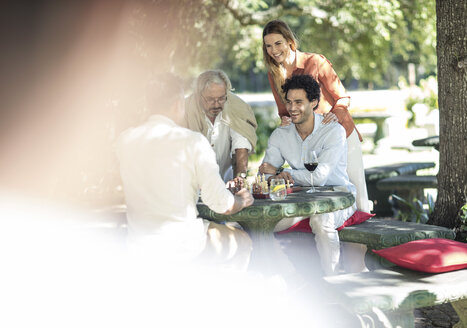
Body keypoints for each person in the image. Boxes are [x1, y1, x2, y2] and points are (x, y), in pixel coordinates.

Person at [116, 73, 254, 268]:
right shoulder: (193, 142)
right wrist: (242, 200)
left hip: (138, 245)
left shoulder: (125, 140)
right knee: (242, 241)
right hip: (183, 244)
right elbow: (221, 203)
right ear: (178, 104)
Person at [261, 19, 370, 213]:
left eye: (278, 43)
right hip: (310, 140)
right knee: (318, 186)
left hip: (340, 133)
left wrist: (335, 115)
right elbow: (283, 110)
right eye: (268, 46)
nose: (273, 50)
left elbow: (343, 97)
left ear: (290, 42)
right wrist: (285, 120)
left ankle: (366, 238)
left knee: (357, 192)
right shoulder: (274, 73)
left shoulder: (315, 62)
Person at [260, 74, 356, 275]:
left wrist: (282, 172)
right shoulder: (281, 135)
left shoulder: (333, 131)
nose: (292, 108)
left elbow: (319, 176)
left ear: (313, 103)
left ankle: (333, 280)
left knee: (321, 220)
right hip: (300, 200)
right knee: (258, 223)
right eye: (288, 102)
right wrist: (273, 176)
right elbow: (266, 172)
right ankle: (284, 280)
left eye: (298, 102)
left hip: (338, 197)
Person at [184, 70, 257, 183]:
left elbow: (241, 142)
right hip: (190, 182)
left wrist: (240, 178)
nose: (217, 104)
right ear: (198, 96)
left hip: (224, 181)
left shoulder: (236, 107)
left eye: (221, 98)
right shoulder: (185, 110)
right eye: (210, 99)